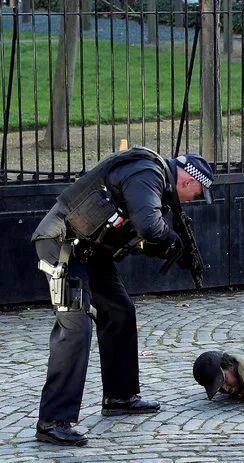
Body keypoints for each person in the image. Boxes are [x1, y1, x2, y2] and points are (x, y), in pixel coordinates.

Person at [32, 147, 214, 446]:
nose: (194, 198)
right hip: (62, 245)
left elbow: (136, 235)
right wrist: (171, 240)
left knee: (119, 311)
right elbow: (148, 226)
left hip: (90, 251)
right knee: (75, 328)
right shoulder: (147, 173)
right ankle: (52, 421)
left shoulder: (154, 181)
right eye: (197, 192)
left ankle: (119, 396)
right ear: (186, 180)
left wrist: (171, 250)